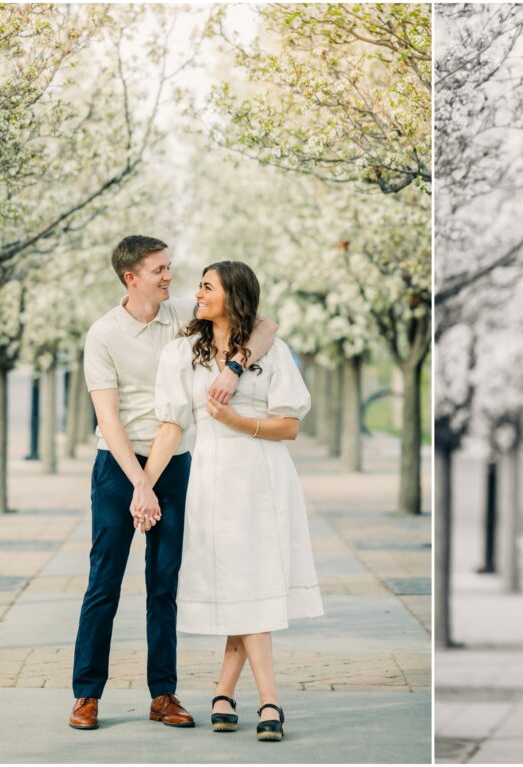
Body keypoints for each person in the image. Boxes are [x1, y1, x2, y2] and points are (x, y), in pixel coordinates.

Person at [70, 237, 277, 730]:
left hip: (178, 465)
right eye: (159, 270)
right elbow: (108, 418)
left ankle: (163, 694)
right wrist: (140, 484)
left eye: (170, 268)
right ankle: (86, 695)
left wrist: (234, 365)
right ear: (131, 277)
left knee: (164, 585)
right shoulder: (103, 334)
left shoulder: (183, 314)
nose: (170, 277)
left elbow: (265, 324)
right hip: (119, 469)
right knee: (104, 582)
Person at [143, 260, 323, 742]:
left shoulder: (270, 353)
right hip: (213, 478)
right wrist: (145, 483)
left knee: (251, 583)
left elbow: (290, 427)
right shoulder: (182, 354)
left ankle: (264, 700)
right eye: (198, 287)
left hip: (264, 478)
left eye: (207, 287)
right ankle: (236, 695)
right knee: (242, 586)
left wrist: (238, 421)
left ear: (233, 296)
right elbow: (170, 426)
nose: (197, 294)